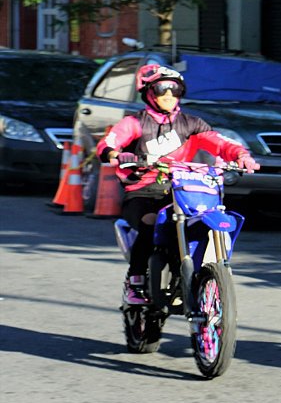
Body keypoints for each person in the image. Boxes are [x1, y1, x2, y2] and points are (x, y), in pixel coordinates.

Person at [96, 63, 260, 305]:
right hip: (144, 190)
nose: (169, 95)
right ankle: (136, 280)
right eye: (163, 88)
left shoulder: (191, 123)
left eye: (176, 89)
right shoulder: (134, 123)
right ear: (148, 91)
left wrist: (241, 155)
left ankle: (204, 274)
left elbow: (220, 143)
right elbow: (109, 143)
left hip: (182, 187)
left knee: (204, 217)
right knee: (150, 223)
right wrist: (114, 154)